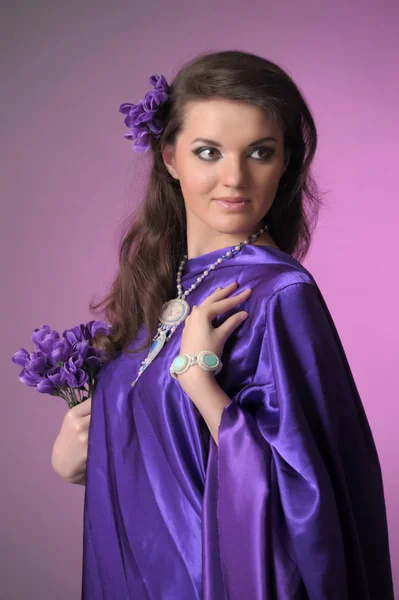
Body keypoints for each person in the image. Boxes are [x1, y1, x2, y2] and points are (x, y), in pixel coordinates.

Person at [76, 50, 394, 599]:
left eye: (260, 153)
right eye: (209, 152)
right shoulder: (162, 282)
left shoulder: (279, 295)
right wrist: (77, 450)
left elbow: (305, 497)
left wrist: (197, 377)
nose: (234, 177)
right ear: (170, 157)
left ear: (285, 162)